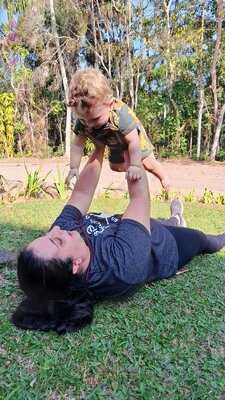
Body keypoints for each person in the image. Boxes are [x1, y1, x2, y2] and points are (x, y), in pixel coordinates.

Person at [12, 146, 225, 334]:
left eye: (47, 235)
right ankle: (181, 223)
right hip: (164, 244)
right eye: (55, 241)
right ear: (76, 264)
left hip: (129, 226)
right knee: (206, 241)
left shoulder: (62, 241)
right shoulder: (121, 266)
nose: (56, 229)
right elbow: (139, 197)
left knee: (165, 221)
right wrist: (129, 144)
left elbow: (82, 192)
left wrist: (98, 146)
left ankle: (175, 217)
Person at [65, 67, 170, 190]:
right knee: (115, 166)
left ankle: (164, 178)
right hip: (112, 137)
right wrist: (74, 167)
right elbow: (77, 145)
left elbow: (133, 141)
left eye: (95, 119)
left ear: (110, 105)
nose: (89, 125)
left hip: (133, 136)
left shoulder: (121, 115)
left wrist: (135, 165)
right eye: (84, 120)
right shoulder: (86, 119)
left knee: (147, 162)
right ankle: (134, 166)